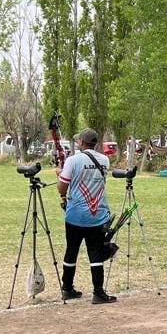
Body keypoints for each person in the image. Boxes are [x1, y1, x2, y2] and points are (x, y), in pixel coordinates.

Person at [57, 127, 118, 304]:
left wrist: (61, 175)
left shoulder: (73, 160)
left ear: (82, 142)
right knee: (96, 254)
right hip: (97, 216)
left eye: (78, 141)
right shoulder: (105, 160)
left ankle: (67, 288)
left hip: (75, 215)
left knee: (71, 252)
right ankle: (98, 292)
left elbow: (62, 187)